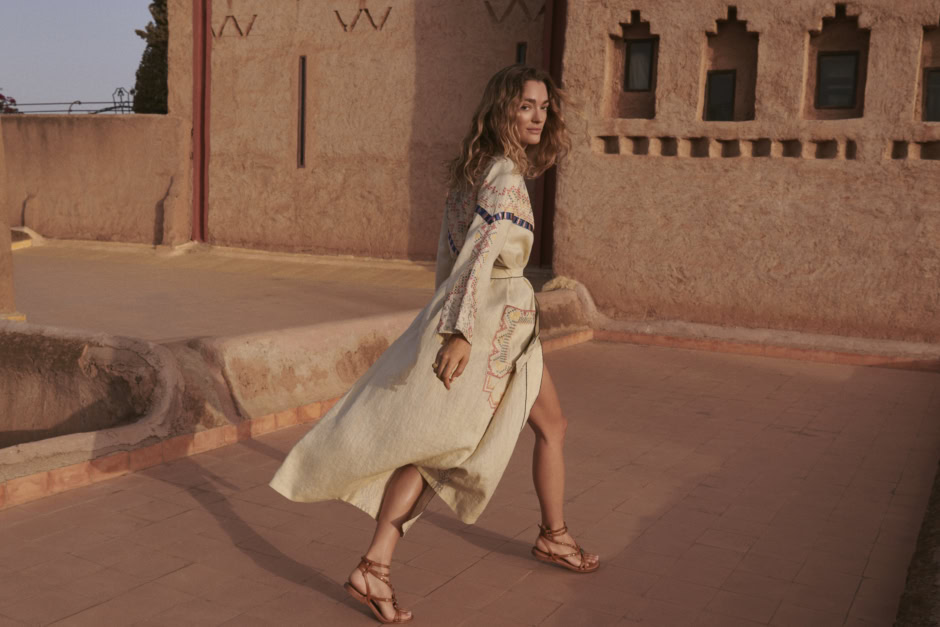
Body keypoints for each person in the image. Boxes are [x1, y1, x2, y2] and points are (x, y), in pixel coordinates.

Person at [269, 64, 598, 624]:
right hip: (489, 331)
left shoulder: (475, 171)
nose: (538, 116)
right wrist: (458, 333)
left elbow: (449, 258)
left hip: (510, 332)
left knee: (552, 425)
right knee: (440, 449)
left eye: (544, 107)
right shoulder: (503, 176)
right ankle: (375, 566)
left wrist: (445, 318)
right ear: (503, 109)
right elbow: (474, 258)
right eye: (526, 105)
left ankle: (553, 534)